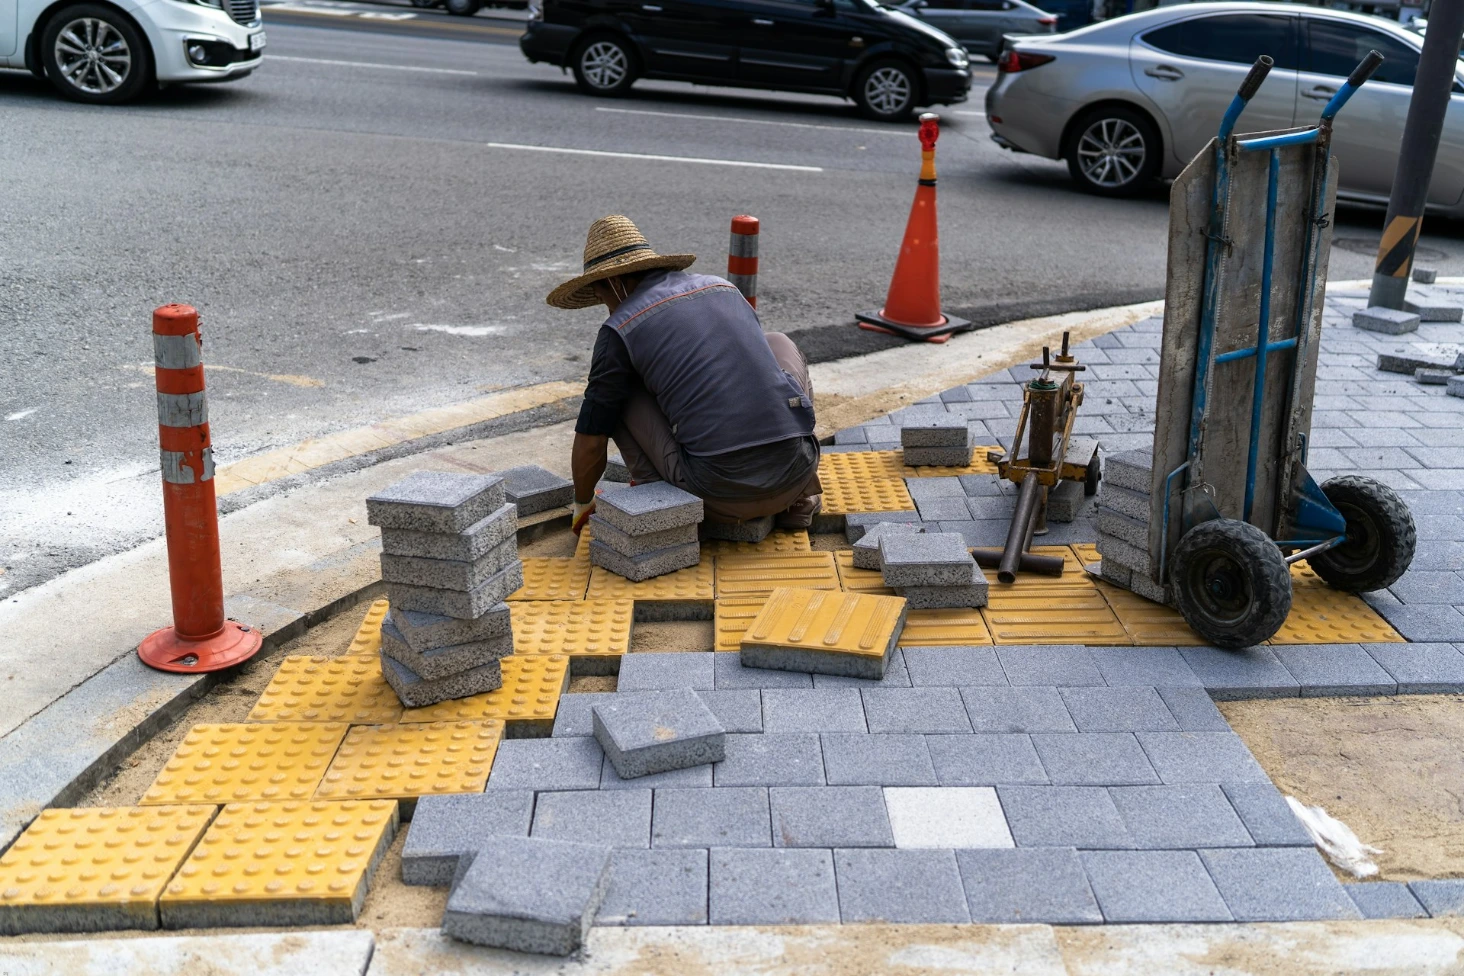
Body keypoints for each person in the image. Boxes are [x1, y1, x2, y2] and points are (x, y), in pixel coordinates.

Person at [546, 214, 822, 535]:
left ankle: (662, 506)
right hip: (798, 474)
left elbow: (592, 441)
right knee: (778, 343)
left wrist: (582, 504)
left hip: (717, 496)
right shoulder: (724, 288)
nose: (606, 306)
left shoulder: (620, 327)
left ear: (614, 283)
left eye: (600, 294)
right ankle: (799, 502)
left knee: (617, 393)